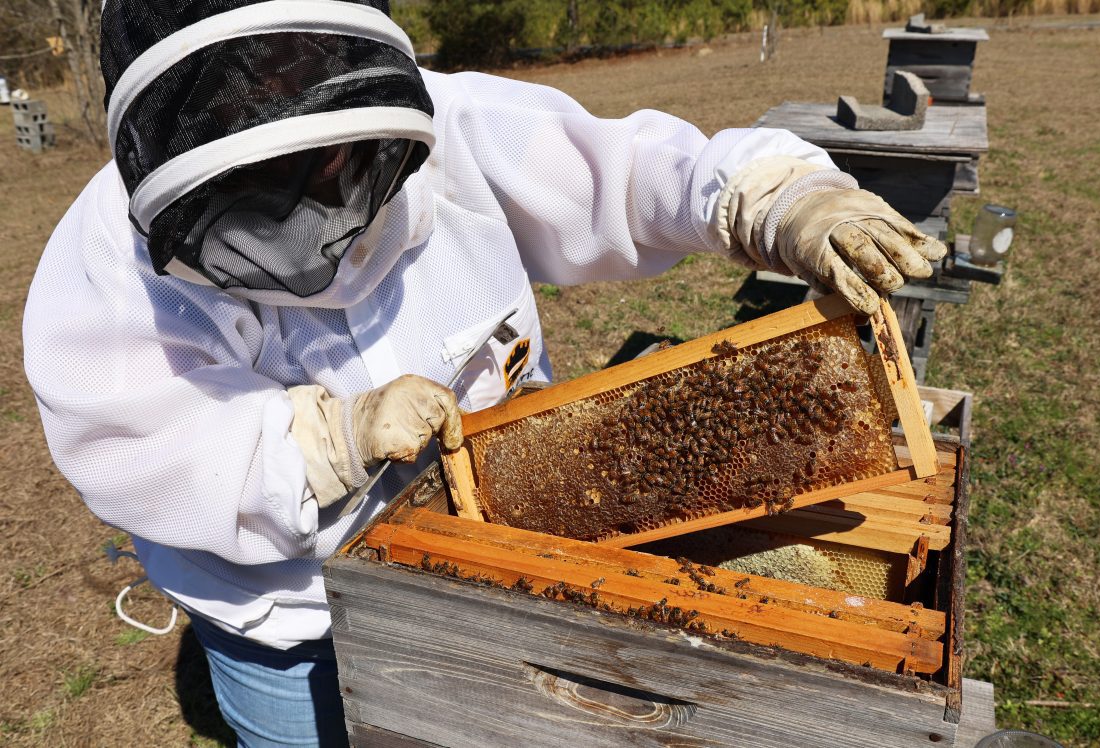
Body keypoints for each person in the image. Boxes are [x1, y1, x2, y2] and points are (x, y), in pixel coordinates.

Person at [23, 1, 946, 746]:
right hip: (287, 625)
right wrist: (326, 441)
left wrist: (772, 198)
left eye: (330, 162)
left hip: (500, 557)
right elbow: (137, 438)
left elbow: (621, 172)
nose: (312, 215)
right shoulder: (107, 265)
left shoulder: (458, 126)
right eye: (263, 182)